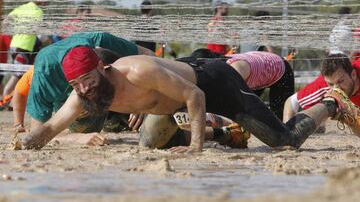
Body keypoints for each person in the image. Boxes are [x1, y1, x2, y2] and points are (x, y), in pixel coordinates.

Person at [20, 47, 359, 153]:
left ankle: (332, 104)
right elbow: (50, 127)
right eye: (78, 86)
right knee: (151, 141)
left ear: (102, 67)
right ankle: (229, 135)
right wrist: (24, 142)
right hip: (176, 105)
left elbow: (195, 94)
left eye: (89, 83)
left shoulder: (138, 71)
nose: (86, 92)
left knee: (283, 142)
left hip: (213, 83)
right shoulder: (81, 94)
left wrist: (196, 146)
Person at [25, 32, 154, 132]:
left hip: (116, 92)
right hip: (84, 116)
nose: (84, 89)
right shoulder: (45, 72)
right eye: (75, 84)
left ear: (101, 66)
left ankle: (115, 119)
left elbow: (149, 56)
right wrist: (76, 139)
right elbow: (37, 131)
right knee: (84, 127)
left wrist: (145, 98)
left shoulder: (101, 41)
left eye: (87, 79)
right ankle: (110, 121)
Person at [11, 48, 123, 134]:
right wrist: (18, 124)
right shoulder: (41, 74)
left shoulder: (77, 69)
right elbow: (19, 92)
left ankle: (114, 119)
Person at [283, 53, 360, 123]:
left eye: (341, 81)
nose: (336, 89)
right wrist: (287, 132)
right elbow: (292, 102)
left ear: (353, 75)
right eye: (330, 84)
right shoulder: (325, 84)